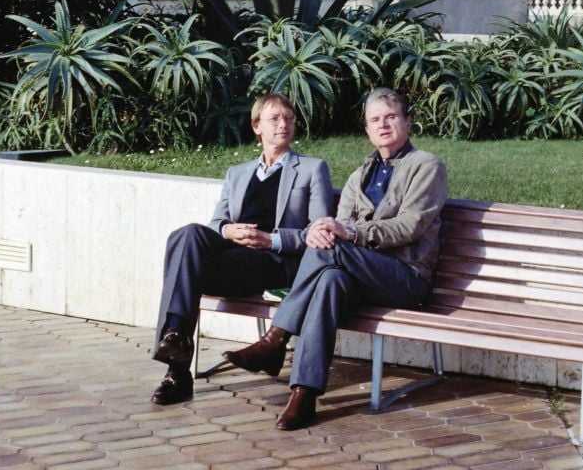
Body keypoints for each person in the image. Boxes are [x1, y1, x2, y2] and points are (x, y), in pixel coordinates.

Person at [224, 88, 447, 431]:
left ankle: (276, 338)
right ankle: (304, 394)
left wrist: (346, 234)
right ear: (368, 130)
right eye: (375, 120)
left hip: (405, 278)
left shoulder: (425, 166)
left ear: (407, 123)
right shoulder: (360, 175)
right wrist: (326, 230)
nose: (383, 125)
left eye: (390, 117)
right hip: (359, 276)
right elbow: (337, 225)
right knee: (329, 279)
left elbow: (410, 226)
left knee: (330, 247)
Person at [151, 92, 334, 406]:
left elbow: (316, 231)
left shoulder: (311, 169)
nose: (284, 124)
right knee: (186, 236)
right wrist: (227, 230)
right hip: (233, 256)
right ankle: (176, 337)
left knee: (184, 268)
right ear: (256, 127)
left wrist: (270, 239)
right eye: (274, 118)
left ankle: (177, 369)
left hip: (273, 261)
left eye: (289, 118)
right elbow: (216, 222)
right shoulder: (237, 173)